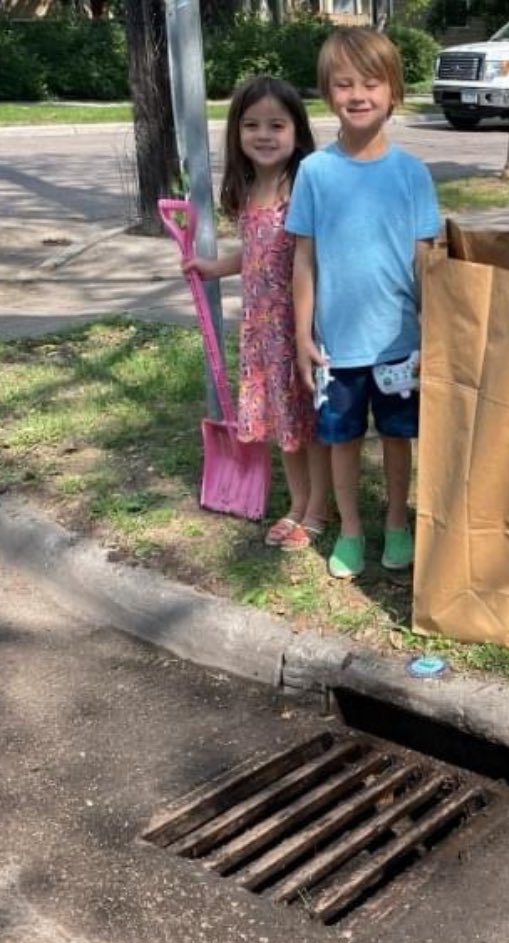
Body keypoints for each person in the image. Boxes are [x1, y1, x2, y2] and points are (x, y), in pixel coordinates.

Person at [287, 28, 441, 579]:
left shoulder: (413, 175)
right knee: (342, 440)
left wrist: (435, 335)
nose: (358, 95)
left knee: (400, 438)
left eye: (371, 83)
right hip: (336, 349)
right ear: (328, 94)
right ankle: (351, 529)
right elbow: (303, 260)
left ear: (393, 91)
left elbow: (426, 261)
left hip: (399, 346)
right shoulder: (314, 173)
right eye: (343, 83)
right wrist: (304, 336)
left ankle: (397, 522)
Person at [181, 75, 330, 550]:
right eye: (251, 125)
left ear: (297, 132)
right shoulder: (248, 192)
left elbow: (314, 257)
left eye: (276, 124)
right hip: (261, 332)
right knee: (281, 423)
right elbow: (254, 252)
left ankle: (318, 510)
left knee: (309, 423)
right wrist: (214, 267)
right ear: (237, 133)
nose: (263, 135)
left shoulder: (302, 187)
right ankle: (297, 503)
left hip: (298, 328)